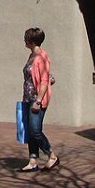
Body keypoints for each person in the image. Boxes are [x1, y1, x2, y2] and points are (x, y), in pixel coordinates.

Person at [19, 26, 58, 172]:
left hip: (37, 99)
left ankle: (51, 155)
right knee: (30, 130)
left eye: (26, 38)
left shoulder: (41, 57)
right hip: (28, 97)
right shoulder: (32, 56)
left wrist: (38, 101)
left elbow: (44, 81)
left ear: (32, 40)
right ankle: (33, 161)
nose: (24, 40)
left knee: (35, 130)